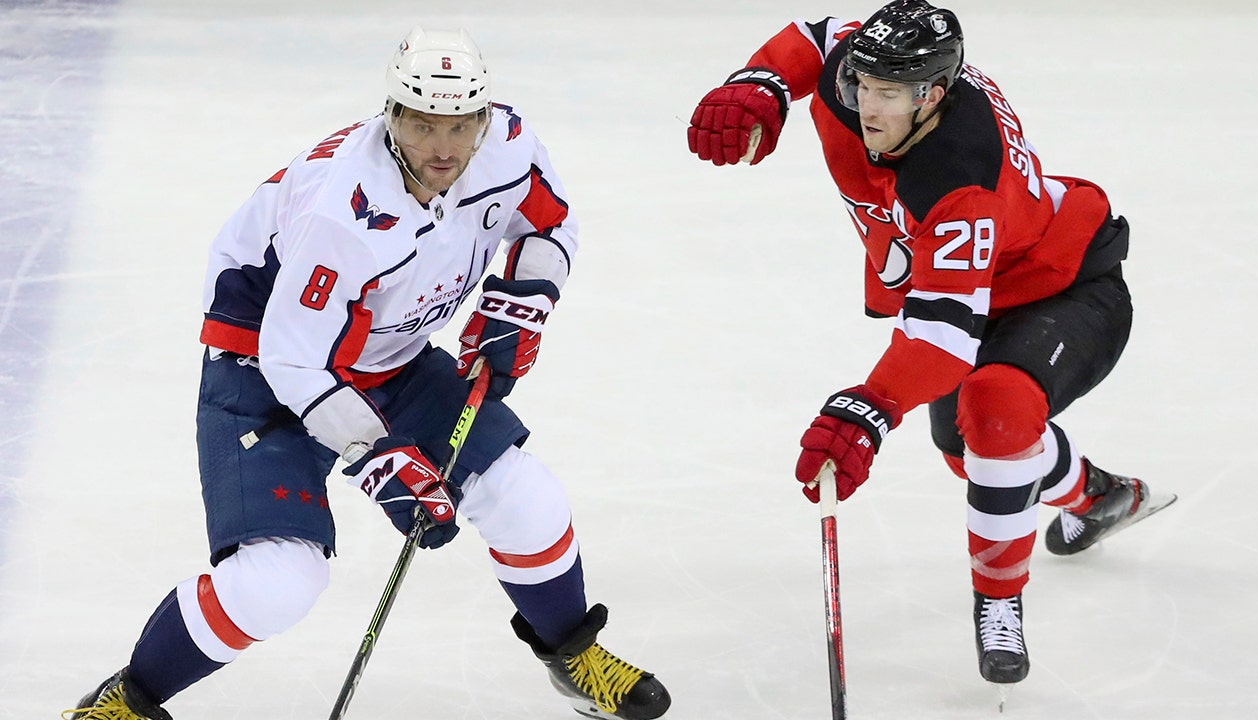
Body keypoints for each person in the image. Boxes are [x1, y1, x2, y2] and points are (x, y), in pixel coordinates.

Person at [65, 27, 669, 720]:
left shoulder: (507, 144)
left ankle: (571, 655)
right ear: (392, 115)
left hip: (388, 356)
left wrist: (524, 301)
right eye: (423, 124)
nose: (443, 148)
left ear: (484, 117)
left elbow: (550, 225)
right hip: (266, 370)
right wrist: (377, 456)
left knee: (525, 497)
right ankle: (126, 701)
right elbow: (295, 357)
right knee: (279, 582)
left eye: (460, 125)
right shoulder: (343, 212)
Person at [686, 0, 1174, 685]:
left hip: (1063, 284)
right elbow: (820, 37)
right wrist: (760, 81)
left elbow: (941, 342)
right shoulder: (865, 75)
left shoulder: (961, 177)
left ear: (934, 96)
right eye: (861, 85)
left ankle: (999, 602)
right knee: (969, 453)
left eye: (888, 95)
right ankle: (1098, 496)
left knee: (996, 409)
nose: (867, 106)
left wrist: (869, 409)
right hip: (968, 291)